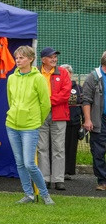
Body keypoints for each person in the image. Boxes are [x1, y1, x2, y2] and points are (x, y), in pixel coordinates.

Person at [5, 45, 55, 205]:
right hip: (12, 125)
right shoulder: (11, 78)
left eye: (21, 57)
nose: (18, 60)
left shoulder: (38, 78)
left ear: (31, 59)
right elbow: (10, 100)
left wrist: (36, 121)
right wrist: (13, 113)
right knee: (20, 163)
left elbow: (45, 104)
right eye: (16, 58)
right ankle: (29, 194)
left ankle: (45, 195)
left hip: (30, 127)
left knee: (29, 163)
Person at [37, 47, 71, 191]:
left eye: (55, 57)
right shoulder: (36, 73)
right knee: (42, 147)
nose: (54, 59)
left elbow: (66, 93)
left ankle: (58, 179)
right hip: (40, 114)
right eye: (51, 57)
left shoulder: (63, 72)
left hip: (59, 114)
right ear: (43, 59)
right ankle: (44, 179)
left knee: (58, 147)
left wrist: (47, 102)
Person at [81, 51, 106, 191]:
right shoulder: (93, 77)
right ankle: (102, 181)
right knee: (98, 151)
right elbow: (86, 100)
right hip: (99, 119)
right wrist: (88, 120)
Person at [60, 64, 82, 180]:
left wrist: (84, 121)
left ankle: (69, 171)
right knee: (60, 148)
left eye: (67, 73)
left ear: (71, 74)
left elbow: (83, 104)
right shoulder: (58, 87)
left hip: (74, 122)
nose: (65, 75)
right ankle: (59, 171)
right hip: (60, 121)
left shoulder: (78, 88)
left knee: (71, 147)